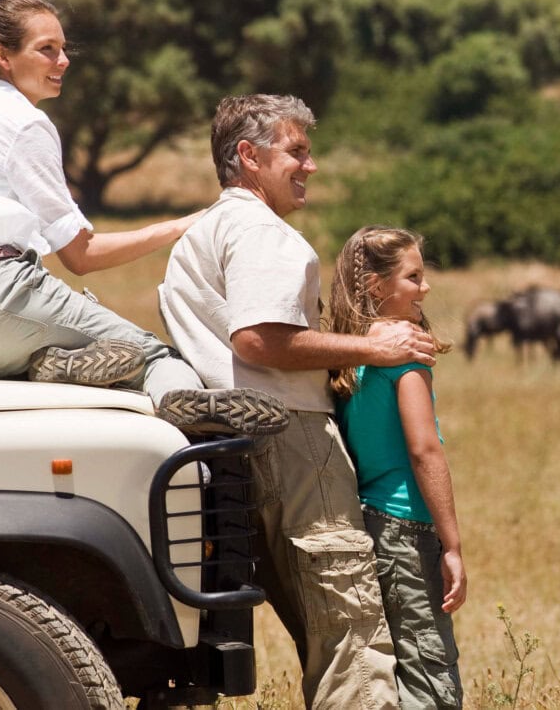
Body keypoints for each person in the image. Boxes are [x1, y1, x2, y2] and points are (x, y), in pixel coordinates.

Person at [0, 0, 273, 433]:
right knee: (155, 359)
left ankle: (48, 364)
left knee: (91, 359)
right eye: (47, 49)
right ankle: (199, 420)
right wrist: (182, 225)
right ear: (4, 57)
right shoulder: (23, 121)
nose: (64, 60)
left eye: (64, 48)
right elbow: (82, 256)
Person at [159, 94, 437, 708]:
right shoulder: (265, 233)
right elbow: (259, 339)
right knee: (349, 627)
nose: (310, 166)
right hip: (294, 438)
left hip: (227, 444)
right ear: (249, 156)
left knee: (317, 623)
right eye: (297, 152)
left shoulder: (198, 236)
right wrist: (375, 348)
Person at [329, 226, 466, 710]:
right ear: (376, 285)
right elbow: (425, 450)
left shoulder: (350, 353)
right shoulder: (406, 357)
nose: (425, 287)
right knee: (429, 674)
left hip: (366, 520)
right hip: (407, 526)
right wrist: (452, 546)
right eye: (413, 277)